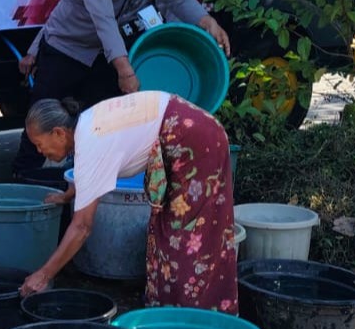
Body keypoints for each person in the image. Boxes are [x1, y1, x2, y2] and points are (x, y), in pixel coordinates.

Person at [11, 0, 230, 180]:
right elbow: (103, 21)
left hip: (103, 54)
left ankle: (86, 179)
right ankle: (22, 176)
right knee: (44, 116)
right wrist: (125, 70)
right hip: (66, 49)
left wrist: (206, 21)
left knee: (98, 119)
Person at [20, 92, 238, 312]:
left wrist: (44, 274)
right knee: (165, 232)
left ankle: (195, 319)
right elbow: (90, 175)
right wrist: (68, 196)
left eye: (39, 144)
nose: (40, 152)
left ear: (58, 133)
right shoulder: (86, 125)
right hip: (191, 129)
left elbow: (82, 227)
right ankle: (166, 311)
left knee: (187, 238)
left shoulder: (91, 141)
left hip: (196, 140)